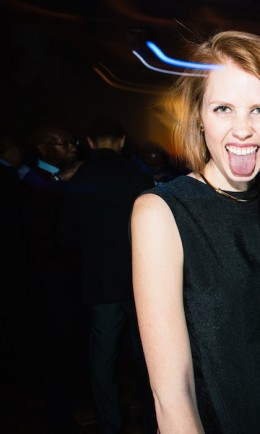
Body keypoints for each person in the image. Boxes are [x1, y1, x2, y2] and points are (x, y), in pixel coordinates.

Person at [130, 31, 260, 433]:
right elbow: (172, 395)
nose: (242, 130)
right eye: (223, 108)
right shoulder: (161, 212)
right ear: (199, 117)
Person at [57, 118, 156, 434]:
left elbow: (65, 237)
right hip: (138, 281)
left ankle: (109, 426)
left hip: (100, 283)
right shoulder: (137, 176)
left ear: (89, 142)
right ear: (122, 141)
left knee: (102, 361)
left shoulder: (79, 178)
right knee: (149, 358)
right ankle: (154, 421)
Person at [20, 123, 85, 433]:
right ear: (44, 149)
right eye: (63, 144)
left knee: (70, 348)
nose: (72, 148)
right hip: (50, 280)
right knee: (56, 350)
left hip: (68, 278)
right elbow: (46, 232)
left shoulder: (59, 178)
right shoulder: (32, 181)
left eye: (72, 143)